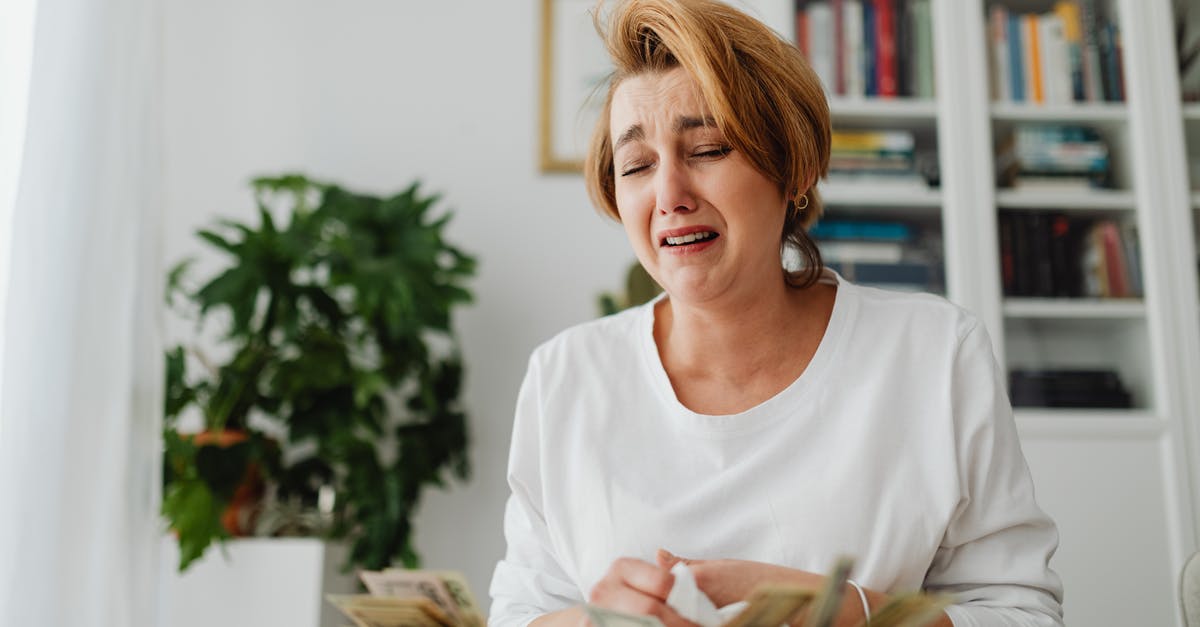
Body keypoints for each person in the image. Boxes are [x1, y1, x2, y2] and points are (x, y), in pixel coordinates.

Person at [489, 0, 1064, 625]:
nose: (670, 195)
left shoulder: (935, 354)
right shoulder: (565, 377)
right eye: (637, 166)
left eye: (707, 149)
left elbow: (1020, 613)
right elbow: (520, 614)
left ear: (795, 170)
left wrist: (854, 614)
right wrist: (595, 621)